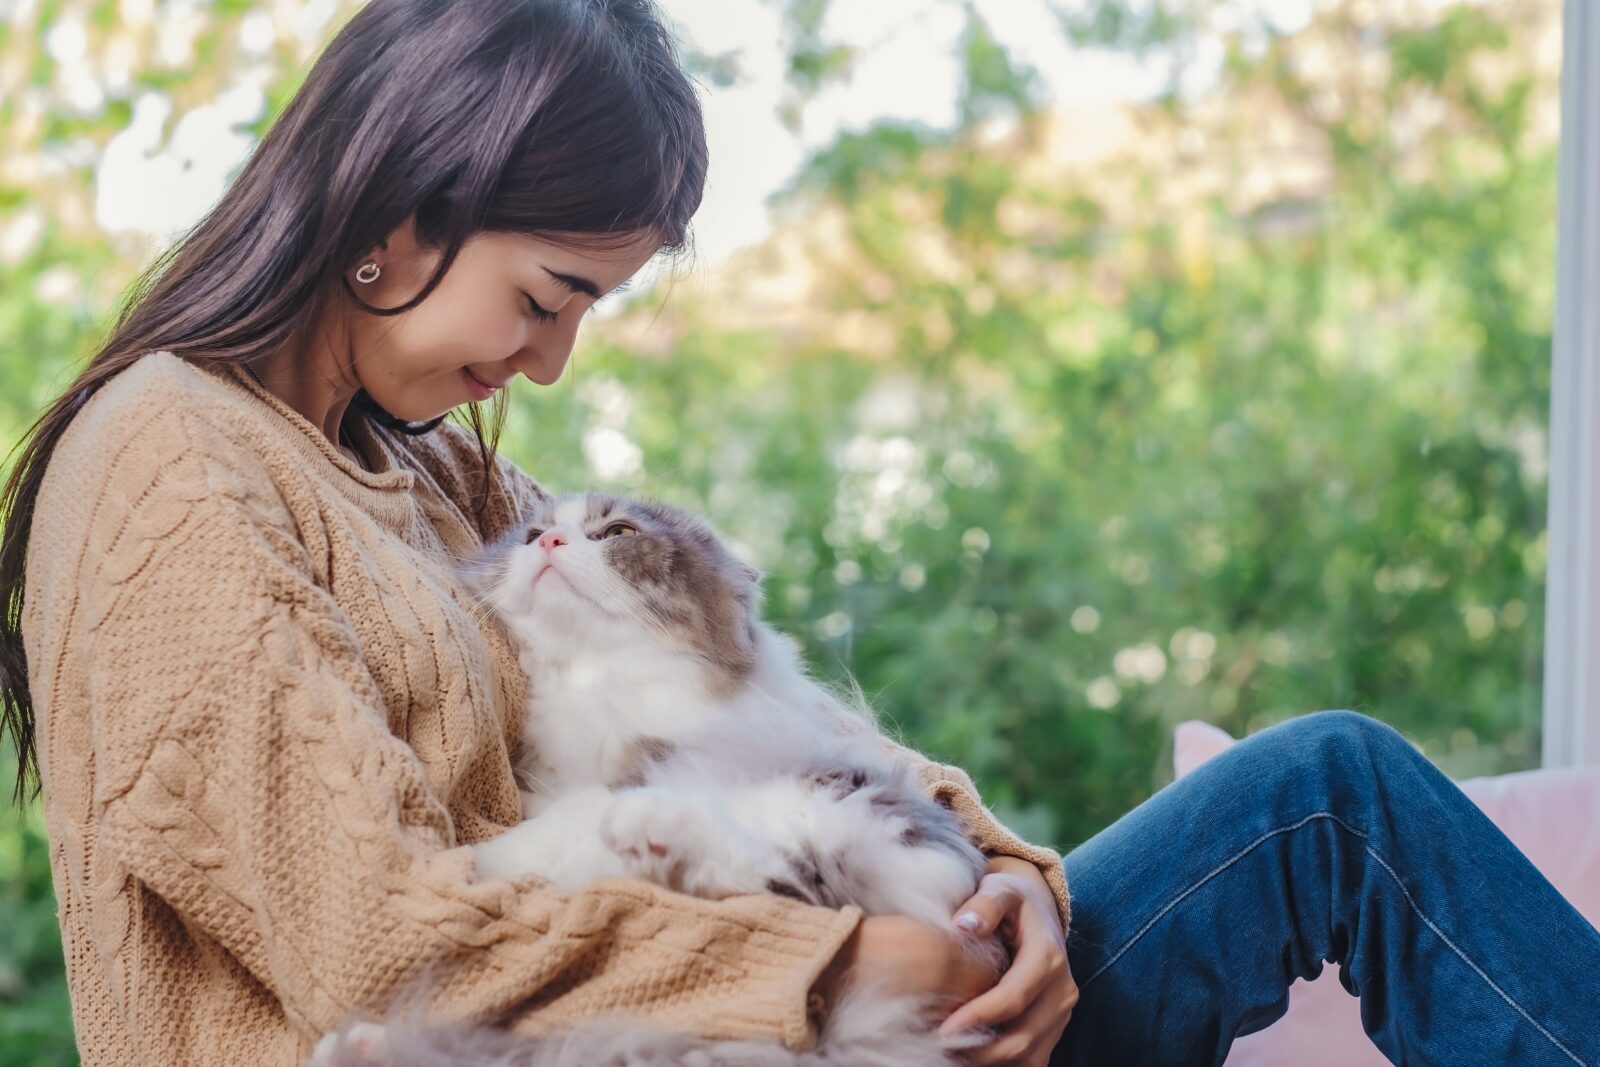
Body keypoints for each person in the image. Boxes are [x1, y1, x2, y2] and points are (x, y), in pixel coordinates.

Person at [0, 1, 1593, 1065]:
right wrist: (822, 980)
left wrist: (1000, 878)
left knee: (1325, 794)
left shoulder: (439, 476)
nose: (551, 362)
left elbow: (759, 699)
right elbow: (362, 939)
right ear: (401, 218)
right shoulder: (166, 470)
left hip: (798, 1018)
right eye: (549, 296)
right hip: (720, 1031)